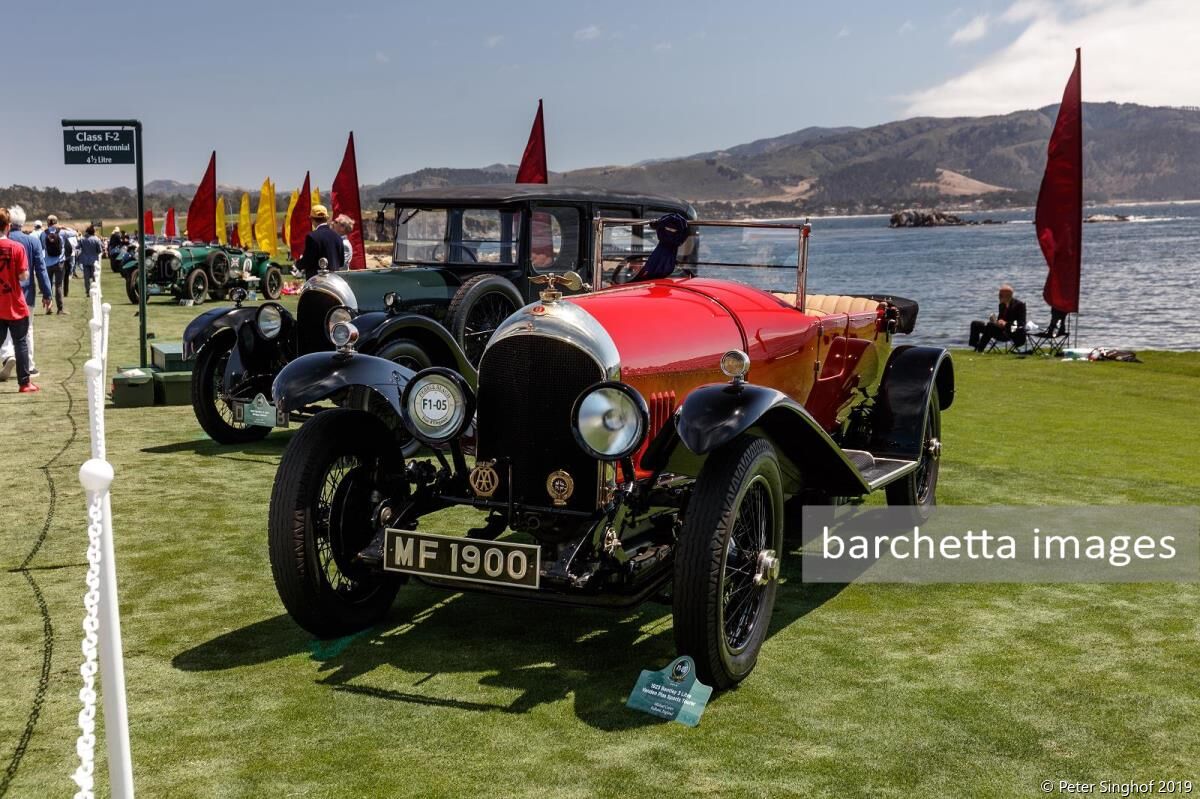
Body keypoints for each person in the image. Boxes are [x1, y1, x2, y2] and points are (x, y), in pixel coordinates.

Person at [6, 205, 48, 376]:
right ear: (23, 223)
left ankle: (8, 356)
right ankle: (29, 366)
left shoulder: (5, 240)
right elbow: (41, 269)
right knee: (27, 329)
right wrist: (47, 293)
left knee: (5, 329)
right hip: (27, 293)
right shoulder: (32, 241)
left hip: (6, 291)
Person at [0, 207, 38, 392]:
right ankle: (24, 383)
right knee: (20, 342)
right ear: (8, 226)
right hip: (14, 303)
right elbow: (23, 276)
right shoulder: (17, 247)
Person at [969, 284, 1027, 353]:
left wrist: (1006, 324)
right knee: (975, 324)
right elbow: (1000, 319)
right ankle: (975, 345)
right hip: (1000, 330)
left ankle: (980, 349)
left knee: (990, 326)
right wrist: (996, 321)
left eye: (1000, 295)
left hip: (1011, 332)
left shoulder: (1019, 305)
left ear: (1007, 296)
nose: (998, 297)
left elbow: (1021, 323)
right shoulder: (1002, 305)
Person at [295, 205, 344, 279]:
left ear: (311, 219)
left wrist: (298, 264)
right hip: (334, 280)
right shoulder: (337, 236)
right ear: (327, 218)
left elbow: (308, 261)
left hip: (317, 281)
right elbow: (341, 262)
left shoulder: (312, 237)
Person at [41, 214, 69, 314]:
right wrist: (64, 227)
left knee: (48, 285)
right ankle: (60, 309)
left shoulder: (44, 234)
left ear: (47, 223)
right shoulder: (62, 232)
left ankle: (48, 308)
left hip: (48, 263)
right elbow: (74, 233)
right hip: (59, 263)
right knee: (58, 286)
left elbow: (42, 247)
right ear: (57, 222)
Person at [77, 226, 104, 296]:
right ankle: (95, 290)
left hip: (85, 260)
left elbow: (77, 247)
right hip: (94, 260)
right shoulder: (96, 239)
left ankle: (87, 291)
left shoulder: (83, 239)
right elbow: (100, 250)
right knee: (95, 277)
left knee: (86, 277)